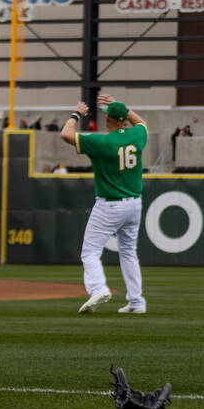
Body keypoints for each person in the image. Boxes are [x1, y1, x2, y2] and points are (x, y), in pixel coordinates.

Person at [61, 93, 149, 315]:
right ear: (124, 120)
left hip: (110, 205)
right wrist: (122, 108)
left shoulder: (102, 141)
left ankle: (99, 288)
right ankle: (137, 302)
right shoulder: (137, 135)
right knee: (129, 252)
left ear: (108, 119)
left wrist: (76, 114)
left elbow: (66, 134)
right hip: (134, 204)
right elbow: (141, 123)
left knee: (90, 252)